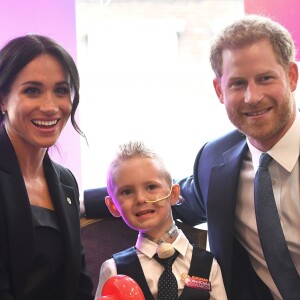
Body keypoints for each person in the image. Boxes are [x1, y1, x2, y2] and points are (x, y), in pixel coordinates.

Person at [84, 14, 300, 299]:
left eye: (265, 78)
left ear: (291, 76)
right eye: (237, 83)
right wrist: (68, 200)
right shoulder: (215, 162)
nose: (252, 96)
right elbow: (165, 194)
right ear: (219, 90)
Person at [0, 34, 93, 299]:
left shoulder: (65, 181)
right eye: (32, 90)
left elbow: (79, 284)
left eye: (61, 90)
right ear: (3, 99)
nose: (50, 107)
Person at [94, 141, 227, 300]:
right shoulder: (114, 269)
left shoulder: (208, 265)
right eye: (127, 192)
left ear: (173, 193)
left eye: (151, 187)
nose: (141, 199)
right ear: (113, 206)